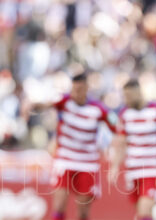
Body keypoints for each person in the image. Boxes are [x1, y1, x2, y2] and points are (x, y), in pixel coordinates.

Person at [31, 73, 116, 220]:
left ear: (86, 89)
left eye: (80, 90)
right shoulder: (64, 101)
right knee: (59, 206)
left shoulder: (98, 109)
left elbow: (117, 126)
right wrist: (34, 105)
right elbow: (45, 105)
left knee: (83, 212)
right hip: (64, 160)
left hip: (87, 164)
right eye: (74, 90)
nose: (76, 93)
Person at [109, 79, 156, 220]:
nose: (127, 100)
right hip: (132, 171)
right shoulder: (125, 114)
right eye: (125, 96)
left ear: (139, 93)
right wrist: (115, 166)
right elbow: (121, 143)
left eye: (129, 96)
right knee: (141, 214)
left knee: (144, 212)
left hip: (151, 170)